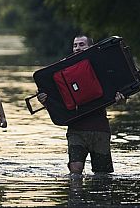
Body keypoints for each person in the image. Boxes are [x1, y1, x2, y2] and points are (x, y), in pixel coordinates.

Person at [38, 35, 126, 175]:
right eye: (75, 45)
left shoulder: (102, 66)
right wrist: (46, 101)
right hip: (76, 130)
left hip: (100, 130)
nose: (77, 48)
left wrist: (121, 100)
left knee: (102, 175)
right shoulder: (63, 69)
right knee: (75, 170)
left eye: (81, 44)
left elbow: (117, 95)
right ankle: (76, 195)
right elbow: (58, 104)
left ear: (90, 47)